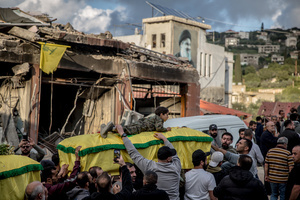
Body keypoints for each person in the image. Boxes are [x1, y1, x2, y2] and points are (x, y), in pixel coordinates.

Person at [116, 125, 181, 200]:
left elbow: (133, 153)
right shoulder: (176, 166)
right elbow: (175, 154)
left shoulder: (150, 166)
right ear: (169, 159)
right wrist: (164, 138)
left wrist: (123, 134)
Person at [100, 106, 171, 138]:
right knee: (125, 131)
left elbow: (142, 119)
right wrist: (166, 129)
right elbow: (159, 128)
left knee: (126, 127)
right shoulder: (159, 119)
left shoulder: (152, 116)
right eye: (167, 115)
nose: (167, 117)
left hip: (138, 124)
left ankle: (108, 127)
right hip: (140, 127)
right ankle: (111, 127)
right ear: (161, 114)